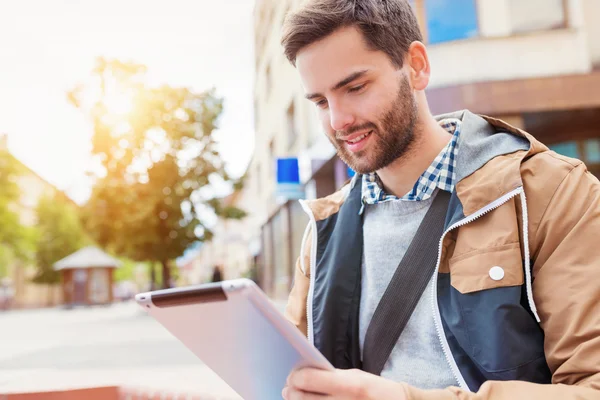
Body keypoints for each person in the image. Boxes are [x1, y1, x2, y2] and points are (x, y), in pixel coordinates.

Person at [279, 1, 600, 399]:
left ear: (416, 66)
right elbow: (291, 378)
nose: (338, 120)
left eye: (355, 87)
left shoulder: (551, 194)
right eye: (321, 102)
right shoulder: (324, 229)